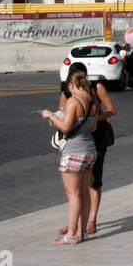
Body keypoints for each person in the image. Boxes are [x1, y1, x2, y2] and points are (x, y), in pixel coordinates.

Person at [54, 63, 117, 237]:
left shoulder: (97, 88)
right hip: (74, 141)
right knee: (78, 188)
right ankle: (75, 225)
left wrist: (92, 117)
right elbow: (61, 112)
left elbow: (112, 110)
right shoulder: (67, 93)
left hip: (95, 139)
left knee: (93, 182)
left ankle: (91, 220)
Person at [41, 69, 98, 245]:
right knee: (84, 192)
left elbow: (65, 127)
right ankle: (82, 232)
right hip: (90, 150)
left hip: (73, 152)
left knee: (73, 194)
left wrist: (49, 115)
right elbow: (93, 127)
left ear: (71, 85)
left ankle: (71, 235)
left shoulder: (73, 101)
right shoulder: (93, 101)